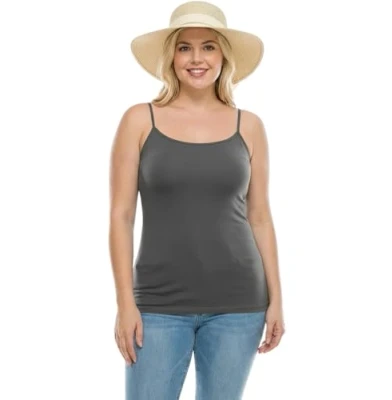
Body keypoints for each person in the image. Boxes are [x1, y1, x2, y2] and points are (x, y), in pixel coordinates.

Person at [109, 1, 286, 398]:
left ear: (224, 56)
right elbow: (121, 216)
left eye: (208, 47)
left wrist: (276, 298)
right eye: (184, 47)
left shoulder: (249, 126)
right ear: (171, 57)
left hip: (239, 305)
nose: (196, 58)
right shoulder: (139, 120)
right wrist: (124, 303)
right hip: (157, 305)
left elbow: (259, 216)